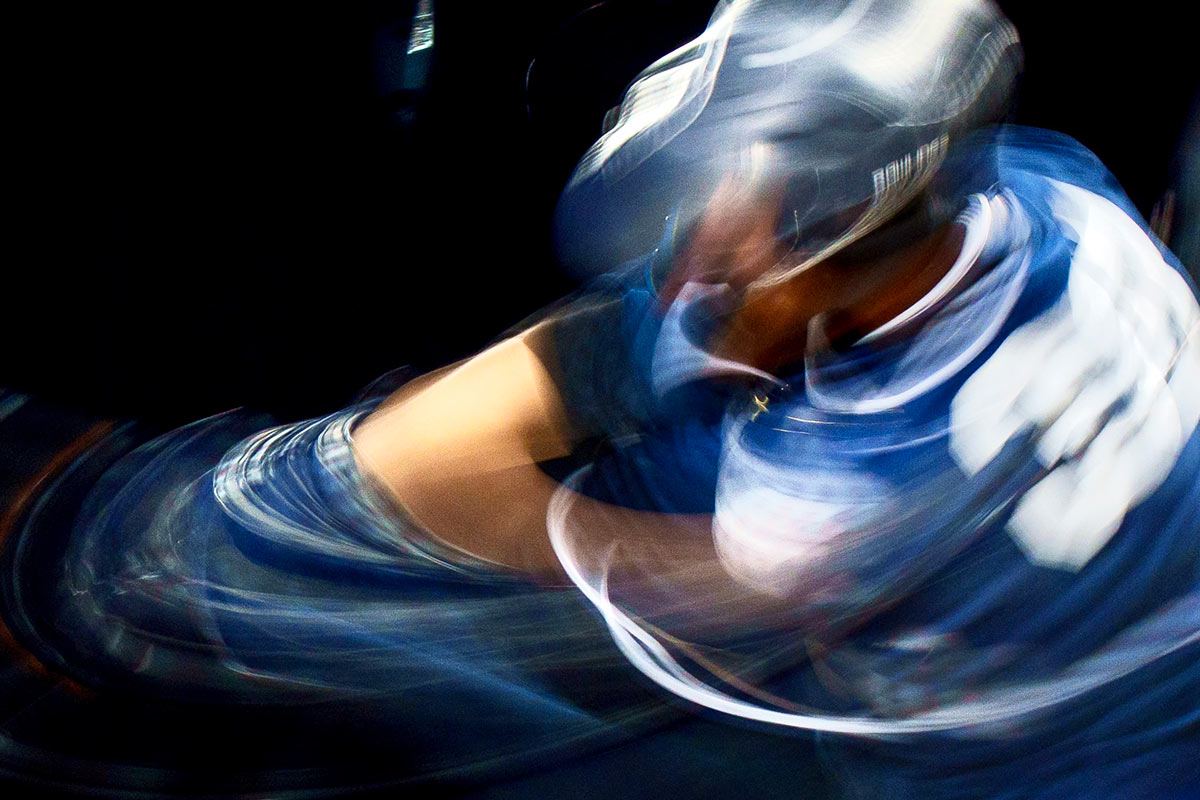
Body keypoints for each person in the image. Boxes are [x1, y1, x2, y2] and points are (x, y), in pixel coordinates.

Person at [3, 1, 1197, 798]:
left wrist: (309, 511)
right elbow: (601, 356)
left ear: (840, 237)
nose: (690, 271)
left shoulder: (838, 501)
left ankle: (150, 601)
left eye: (728, 254)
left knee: (442, 649)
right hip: (1044, 574)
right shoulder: (1053, 185)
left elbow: (456, 495)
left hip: (1017, 760)